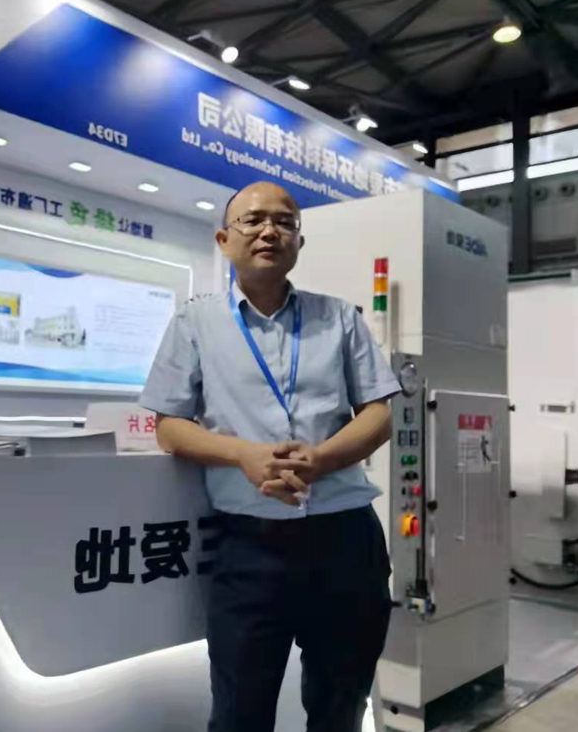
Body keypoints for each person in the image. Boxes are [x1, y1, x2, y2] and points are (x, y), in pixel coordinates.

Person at [139, 181, 401, 732]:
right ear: (223, 240)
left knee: (340, 710)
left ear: (299, 242)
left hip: (345, 540)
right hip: (249, 546)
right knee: (240, 713)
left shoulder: (340, 318)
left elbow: (379, 414)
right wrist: (243, 456)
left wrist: (321, 459)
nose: (269, 232)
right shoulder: (194, 322)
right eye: (253, 220)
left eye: (284, 222)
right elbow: (169, 427)